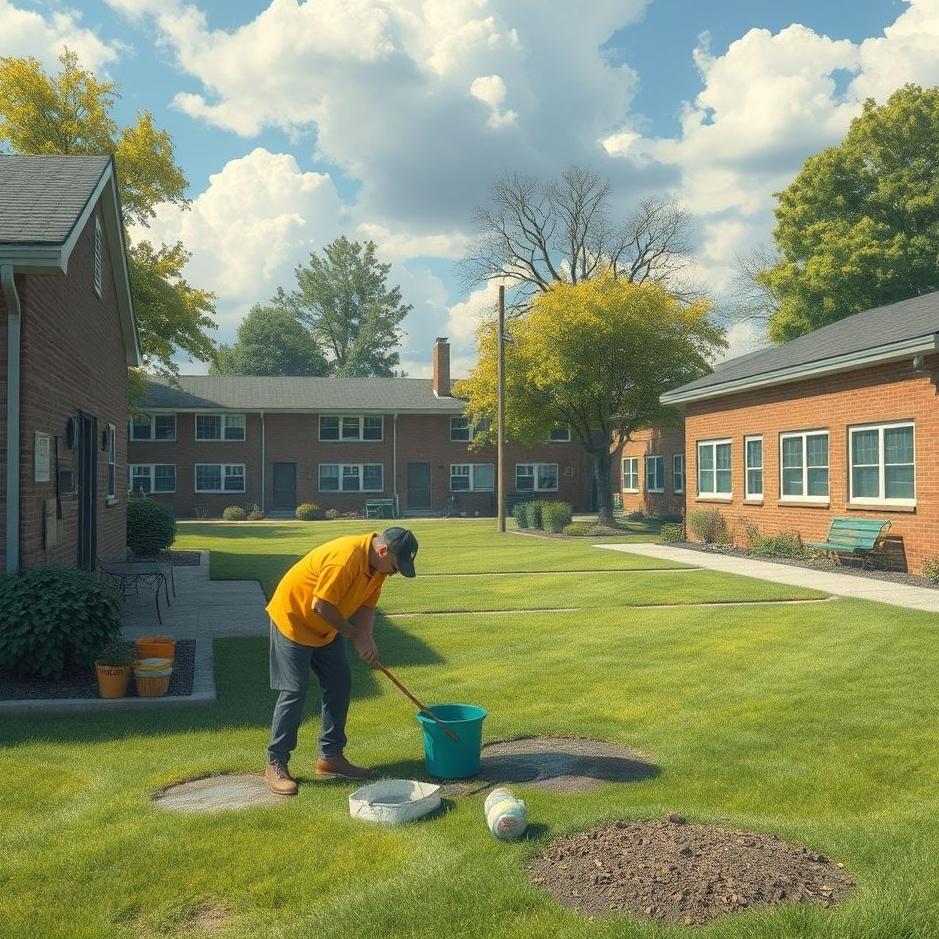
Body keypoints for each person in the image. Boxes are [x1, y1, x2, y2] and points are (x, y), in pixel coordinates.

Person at [264, 526, 419, 795]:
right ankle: (276, 762)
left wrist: (366, 636)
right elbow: (320, 605)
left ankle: (330, 757)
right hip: (293, 619)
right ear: (383, 551)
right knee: (294, 690)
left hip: (326, 627)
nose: (394, 572)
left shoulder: (378, 567)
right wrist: (354, 635)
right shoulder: (346, 558)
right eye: (395, 566)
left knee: (339, 683)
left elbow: (367, 606)